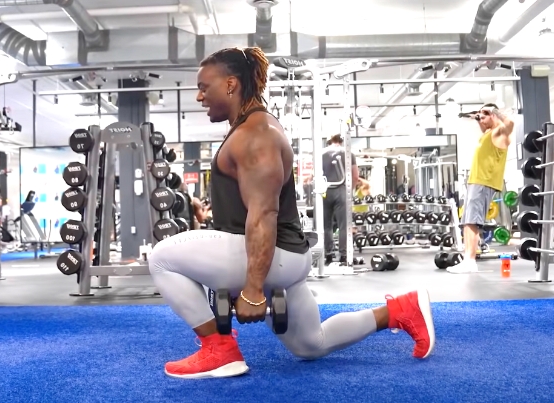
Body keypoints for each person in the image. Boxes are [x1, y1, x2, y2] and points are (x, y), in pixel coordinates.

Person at [147, 46, 435, 380]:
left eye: (203, 87)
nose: (199, 97)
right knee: (311, 344)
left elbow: (264, 213)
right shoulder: (252, 127)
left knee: (162, 257)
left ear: (230, 85)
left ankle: (219, 349)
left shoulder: (255, 135)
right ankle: (399, 311)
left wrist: (253, 290)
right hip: (280, 256)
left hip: (270, 255)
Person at [448, 103, 514, 274]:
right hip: (476, 181)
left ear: (492, 115)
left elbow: (510, 124)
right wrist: (478, 117)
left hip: (484, 181)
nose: (481, 120)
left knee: (472, 221)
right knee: (468, 220)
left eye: (483, 116)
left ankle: (470, 261)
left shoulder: (500, 132)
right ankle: (467, 259)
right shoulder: (487, 134)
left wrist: (494, 111)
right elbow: (484, 128)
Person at [321, 134, 359, 265]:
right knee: (344, 226)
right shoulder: (348, 153)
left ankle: (328, 255)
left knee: (326, 226)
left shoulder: (321, 153)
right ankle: (344, 255)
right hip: (342, 190)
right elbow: (355, 177)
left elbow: (315, 175)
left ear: (330, 141)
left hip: (325, 191)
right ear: (342, 141)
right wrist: (350, 192)